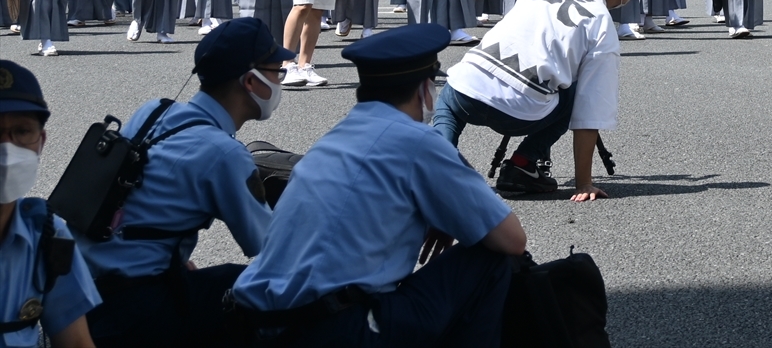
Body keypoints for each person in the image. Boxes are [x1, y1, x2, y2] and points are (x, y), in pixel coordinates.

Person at [226, 25, 527, 346]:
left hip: (260, 322)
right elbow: (512, 239)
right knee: (491, 261)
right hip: (337, 328)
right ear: (425, 89)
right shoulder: (417, 141)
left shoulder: (336, 137)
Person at [81, 19, 290, 348]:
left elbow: (136, 196)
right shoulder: (224, 154)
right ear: (252, 81)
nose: (280, 81)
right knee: (272, 293)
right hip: (129, 309)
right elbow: (270, 246)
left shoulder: (155, 110)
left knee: (214, 281)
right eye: (278, 72)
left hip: (82, 288)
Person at [434, 0, 645, 199]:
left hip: (467, 87)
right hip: (520, 112)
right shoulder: (601, 23)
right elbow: (591, 109)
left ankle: (435, 159)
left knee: (450, 96)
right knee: (575, 92)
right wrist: (583, 183)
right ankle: (523, 163)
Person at [0, 61, 103, 348]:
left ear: (41, 142)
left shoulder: (45, 233)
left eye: (22, 132)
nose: (7, 149)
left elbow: (76, 342)